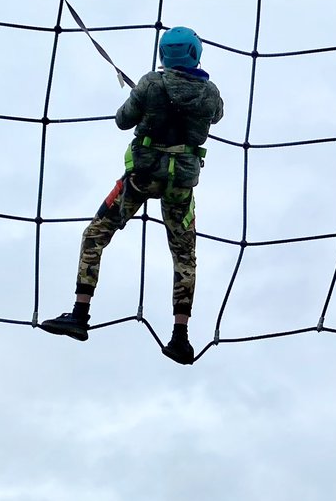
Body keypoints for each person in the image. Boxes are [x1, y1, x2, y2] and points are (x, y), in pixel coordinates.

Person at [40, 26, 223, 364]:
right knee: (184, 257)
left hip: (141, 178)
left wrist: (143, 97)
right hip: (180, 186)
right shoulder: (209, 93)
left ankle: (80, 314)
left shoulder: (151, 84)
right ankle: (180, 337)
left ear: (163, 54)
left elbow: (123, 120)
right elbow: (216, 115)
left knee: (95, 235)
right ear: (196, 54)